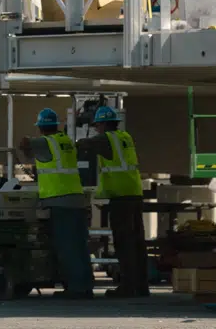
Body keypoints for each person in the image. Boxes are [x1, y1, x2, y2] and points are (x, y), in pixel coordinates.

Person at [19, 108, 93, 299]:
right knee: (79, 245)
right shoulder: (66, 141)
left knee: (67, 246)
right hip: (76, 199)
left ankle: (76, 289)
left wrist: (26, 139)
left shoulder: (44, 142)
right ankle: (85, 286)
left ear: (41, 127)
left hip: (59, 200)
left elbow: (24, 146)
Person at [87, 104, 148, 298]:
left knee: (124, 243)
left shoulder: (106, 139)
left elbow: (83, 146)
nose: (96, 128)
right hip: (134, 193)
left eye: (97, 125)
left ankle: (128, 287)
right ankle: (141, 287)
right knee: (137, 243)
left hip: (121, 198)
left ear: (103, 125)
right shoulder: (125, 137)